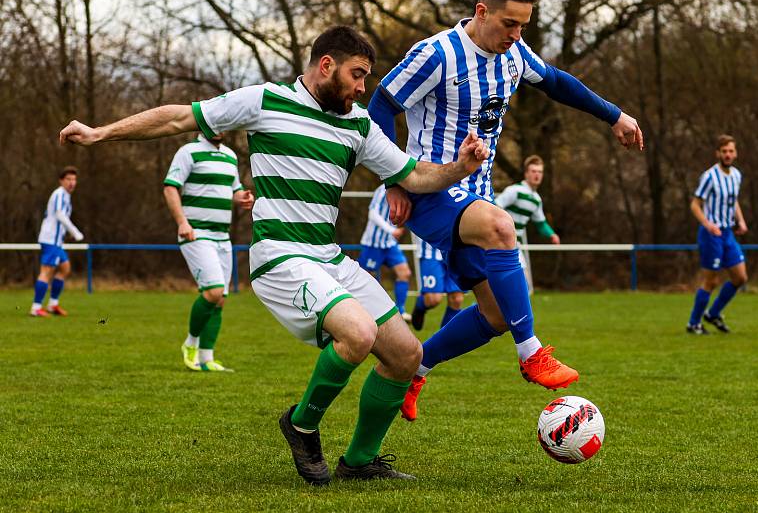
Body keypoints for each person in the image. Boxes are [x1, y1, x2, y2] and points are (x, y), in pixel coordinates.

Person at [60, 26, 488, 484]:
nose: (364, 88)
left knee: (405, 354)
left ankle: (360, 461)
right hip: (280, 257)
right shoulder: (265, 100)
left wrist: (457, 169)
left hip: (329, 258)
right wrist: (100, 132)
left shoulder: (358, 123)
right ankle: (301, 425)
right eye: (358, 75)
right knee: (358, 334)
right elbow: (177, 118)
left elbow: (413, 175)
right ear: (327, 65)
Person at [367, 0, 644, 421]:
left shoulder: (514, 53)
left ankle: (417, 368)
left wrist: (614, 115)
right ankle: (531, 353)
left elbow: (555, 82)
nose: (516, 34)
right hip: (429, 189)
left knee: (495, 315)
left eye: (523, 25)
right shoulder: (436, 54)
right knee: (501, 226)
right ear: (481, 11)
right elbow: (379, 104)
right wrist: (394, 180)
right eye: (509, 23)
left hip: (474, 194)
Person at [164, 133, 255, 371]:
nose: (219, 127)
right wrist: (182, 222)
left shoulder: (230, 155)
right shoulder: (188, 151)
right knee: (213, 292)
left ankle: (206, 358)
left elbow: (234, 190)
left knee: (221, 300)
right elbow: (170, 187)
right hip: (195, 233)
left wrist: (242, 198)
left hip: (222, 236)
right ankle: (190, 343)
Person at [687, 134, 748, 334]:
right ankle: (694, 323)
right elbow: (695, 205)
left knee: (740, 277)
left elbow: (734, 200)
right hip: (711, 234)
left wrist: (741, 220)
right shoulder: (710, 177)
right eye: (724, 151)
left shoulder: (737, 175)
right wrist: (708, 224)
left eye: (731, 151)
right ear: (718, 154)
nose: (728, 155)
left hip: (728, 233)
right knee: (711, 281)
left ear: (735, 153)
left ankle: (713, 314)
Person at [495, 154, 560, 292]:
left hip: (515, 244)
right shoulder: (515, 191)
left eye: (540, 172)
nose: (537, 175)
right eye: (533, 171)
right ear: (526, 173)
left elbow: (541, 223)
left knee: (520, 287)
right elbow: (494, 208)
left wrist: (552, 234)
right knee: (520, 287)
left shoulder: (536, 199)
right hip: (501, 242)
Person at [30, 166, 84, 317]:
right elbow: (60, 215)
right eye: (68, 179)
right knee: (46, 272)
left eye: (74, 179)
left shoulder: (66, 196)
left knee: (65, 268)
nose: (72, 182)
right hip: (50, 239)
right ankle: (36, 308)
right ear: (61, 181)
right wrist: (75, 232)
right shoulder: (59, 194)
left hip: (56, 240)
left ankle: (53, 305)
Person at [357, 184, 413, 322]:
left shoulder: (405, 190)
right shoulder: (383, 189)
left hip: (389, 244)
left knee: (404, 273)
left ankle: (400, 311)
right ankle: (363, 313)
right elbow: (372, 214)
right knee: (365, 279)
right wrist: (391, 230)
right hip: (373, 244)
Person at [409, 236, 464, 331]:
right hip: (430, 253)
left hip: (454, 252)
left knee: (457, 299)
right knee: (433, 299)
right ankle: (420, 306)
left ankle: (446, 338)